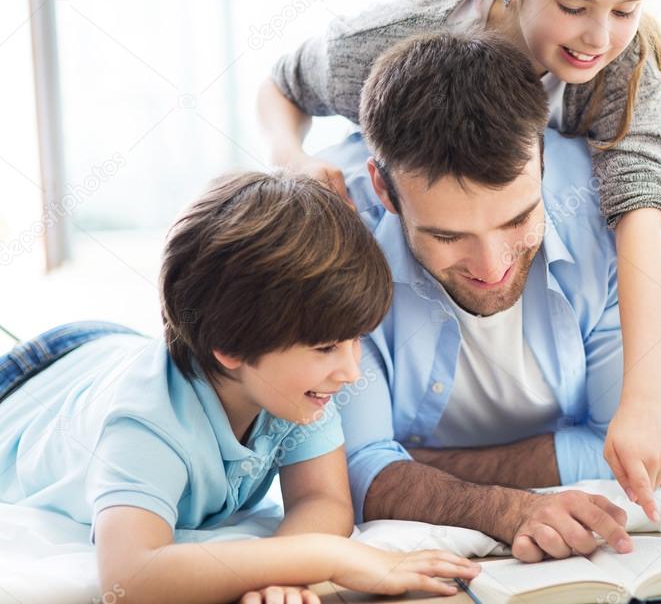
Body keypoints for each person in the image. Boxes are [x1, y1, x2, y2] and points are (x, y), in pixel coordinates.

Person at [258, 0, 661, 519]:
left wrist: (644, 403)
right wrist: (293, 163)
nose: (599, 35)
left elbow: (643, 203)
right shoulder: (380, 47)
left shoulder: (620, 63)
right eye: (572, 6)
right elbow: (282, 85)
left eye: (625, 9)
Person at [0, 173, 478, 604]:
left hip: (106, 351)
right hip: (25, 384)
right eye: (327, 347)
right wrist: (330, 559)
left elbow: (322, 500)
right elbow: (130, 578)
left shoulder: (294, 391)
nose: (351, 371)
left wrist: (281, 574)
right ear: (231, 348)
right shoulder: (145, 423)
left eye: (356, 341)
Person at [322, 30, 661, 563]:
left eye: (517, 219)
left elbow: (631, 452)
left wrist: (416, 465)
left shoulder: (625, 230)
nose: (491, 268)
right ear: (384, 190)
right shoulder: (336, 243)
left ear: (541, 158)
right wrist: (501, 507)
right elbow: (349, 474)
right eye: (447, 237)